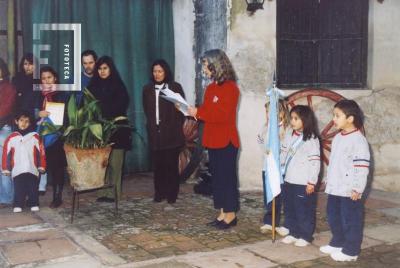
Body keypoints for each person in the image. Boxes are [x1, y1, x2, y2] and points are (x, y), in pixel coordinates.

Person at [188, 49, 240, 230]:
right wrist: (194, 113)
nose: (204, 69)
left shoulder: (231, 88)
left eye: (205, 65)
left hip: (227, 141)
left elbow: (222, 115)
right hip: (213, 140)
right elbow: (207, 111)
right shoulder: (211, 88)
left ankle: (231, 214)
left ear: (216, 65)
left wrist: (199, 112)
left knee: (227, 178)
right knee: (217, 179)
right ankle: (222, 212)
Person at [320, 100, 370, 262]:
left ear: (350, 118)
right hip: (335, 187)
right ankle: (338, 241)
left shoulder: (359, 141)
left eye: (337, 116)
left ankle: (351, 250)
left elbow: (362, 167)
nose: (333, 119)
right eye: (333, 115)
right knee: (333, 215)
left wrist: (357, 188)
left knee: (350, 219)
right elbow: (334, 162)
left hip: (350, 190)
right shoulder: (338, 138)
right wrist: (329, 180)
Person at [88, 56, 130, 202]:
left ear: (110, 69)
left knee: (116, 164)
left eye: (105, 68)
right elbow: (89, 108)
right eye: (99, 69)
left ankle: (115, 194)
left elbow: (121, 105)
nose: (102, 71)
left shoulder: (118, 85)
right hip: (99, 131)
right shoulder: (92, 86)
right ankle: (103, 194)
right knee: (102, 163)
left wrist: (104, 112)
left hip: (117, 130)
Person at [142, 59, 186, 204]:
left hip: (171, 134)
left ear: (165, 72)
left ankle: (172, 194)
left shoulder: (175, 87)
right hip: (155, 134)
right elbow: (146, 110)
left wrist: (172, 126)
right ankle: (159, 193)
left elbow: (181, 110)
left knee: (171, 165)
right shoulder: (147, 89)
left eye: (160, 71)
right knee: (158, 166)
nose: (157, 74)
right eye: (154, 71)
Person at [280, 105, 320, 247]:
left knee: (303, 209)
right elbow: (284, 153)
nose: (292, 121)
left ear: (305, 120)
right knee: (290, 207)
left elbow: (315, 162)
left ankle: (305, 235)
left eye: (296, 118)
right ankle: (293, 232)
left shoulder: (311, 139)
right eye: (291, 118)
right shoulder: (290, 134)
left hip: (303, 182)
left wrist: (311, 182)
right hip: (289, 179)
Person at [2, 111, 46, 212]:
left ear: (30, 123)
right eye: (21, 120)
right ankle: (18, 204)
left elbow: (41, 152)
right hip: (18, 168)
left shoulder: (35, 137)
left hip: (32, 168)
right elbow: (6, 154)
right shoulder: (11, 138)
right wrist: (6, 168)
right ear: (16, 121)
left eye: (27, 121)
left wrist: (42, 165)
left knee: (33, 187)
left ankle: (33, 203)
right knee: (19, 187)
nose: (24, 123)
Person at [258, 99, 290, 236]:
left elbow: (287, 147)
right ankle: (269, 221)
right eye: (266, 111)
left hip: (279, 168)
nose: (267, 114)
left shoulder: (286, 129)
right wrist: (265, 149)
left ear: (281, 112)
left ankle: (285, 223)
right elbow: (260, 139)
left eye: (270, 111)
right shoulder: (266, 127)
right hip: (267, 167)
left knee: (280, 196)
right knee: (269, 196)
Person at [38, 66, 68, 208]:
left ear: (55, 78)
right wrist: (39, 114)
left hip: (58, 136)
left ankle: (57, 196)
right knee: (46, 166)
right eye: (44, 78)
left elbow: (67, 117)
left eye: (49, 77)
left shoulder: (61, 95)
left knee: (57, 167)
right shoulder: (39, 95)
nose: (47, 81)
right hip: (42, 137)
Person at [0, 58, 17, 205]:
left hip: (3, 127)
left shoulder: (9, 87)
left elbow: (6, 108)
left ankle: (7, 197)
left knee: (4, 164)